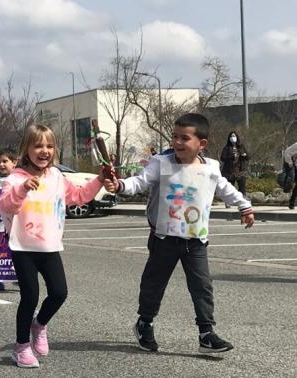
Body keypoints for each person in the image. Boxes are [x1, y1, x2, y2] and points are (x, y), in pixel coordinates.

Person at [104, 113, 255, 354]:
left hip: (196, 239)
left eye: (185, 138)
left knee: (202, 286)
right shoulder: (160, 163)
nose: (177, 142)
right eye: (175, 137)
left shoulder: (211, 168)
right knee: (154, 284)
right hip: (164, 237)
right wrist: (119, 185)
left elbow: (225, 189)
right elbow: (138, 183)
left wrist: (244, 206)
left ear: (201, 144)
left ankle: (206, 333)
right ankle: (145, 323)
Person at [0, 124, 109, 367]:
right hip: (23, 247)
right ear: (26, 149)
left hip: (49, 246)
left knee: (59, 293)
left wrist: (100, 180)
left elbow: (79, 196)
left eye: (49, 146)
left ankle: (39, 325)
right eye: (38, 145)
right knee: (30, 296)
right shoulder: (15, 178)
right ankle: (21, 347)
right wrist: (22, 189)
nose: (44, 150)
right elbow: (6, 205)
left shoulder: (57, 176)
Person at [0, 148, 18, 291]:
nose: (1, 164)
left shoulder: (19, 179)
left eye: (5, 161)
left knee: (17, 250)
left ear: (14, 163)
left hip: (16, 222)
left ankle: (19, 276)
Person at [220, 131, 249, 199]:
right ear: (229, 138)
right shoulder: (226, 147)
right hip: (230, 171)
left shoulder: (241, 146)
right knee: (230, 187)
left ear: (237, 137)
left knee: (242, 186)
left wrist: (244, 155)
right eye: (231, 136)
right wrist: (231, 157)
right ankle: (229, 200)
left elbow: (248, 157)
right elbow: (222, 158)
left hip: (240, 170)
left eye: (234, 136)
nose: (233, 137)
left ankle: (243, 200)